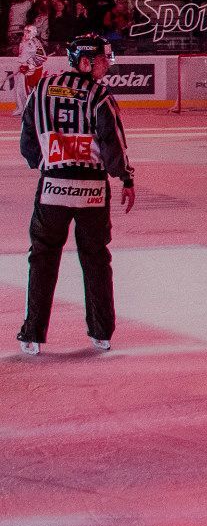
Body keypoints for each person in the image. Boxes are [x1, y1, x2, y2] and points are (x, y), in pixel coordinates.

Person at [17, 34, 136, 356]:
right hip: (92, 191)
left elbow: (27, 140)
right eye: (101, 61)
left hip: (52, 186)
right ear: (85, 61)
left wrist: (47, 165)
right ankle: (100, 333)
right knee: (96, 259)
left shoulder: (41, 88)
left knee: (42, 258)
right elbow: (113, 145)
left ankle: (32, 334)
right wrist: (125, 177)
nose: (106, 67)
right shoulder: (99, 95)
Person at [13, 22, 48, 114]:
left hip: (31, 69)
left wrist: (29, 65)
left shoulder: (31, 43)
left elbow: (42, 57)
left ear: (33, 32)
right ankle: (23, 108)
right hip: (28, 68)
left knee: (25, 89)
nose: (25, 33)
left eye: (28, 31)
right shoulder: (28, 41)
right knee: (21, 88)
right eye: (25, 31)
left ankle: (26, 108)